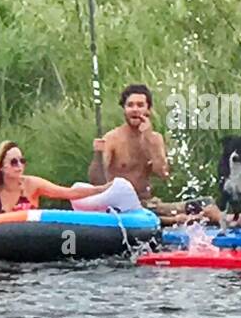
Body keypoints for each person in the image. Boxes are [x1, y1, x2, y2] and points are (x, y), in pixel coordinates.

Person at [92, 84, 226, 226]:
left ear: (148, 110)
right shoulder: (112, 139)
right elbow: (96, 181)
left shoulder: (155, 139)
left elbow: (163, 173)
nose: (135, 110)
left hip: (148, 204)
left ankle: (229, 226)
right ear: (124, 110)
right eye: (130, 105)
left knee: (206, 203)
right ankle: (178, 221)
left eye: (140, 105)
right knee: (162, 218)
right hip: (122, 206)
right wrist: (97, 155)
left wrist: (149, 139)